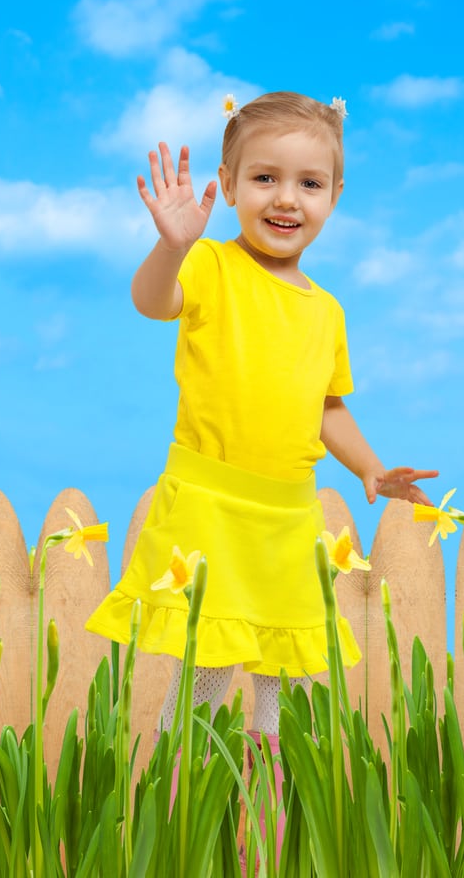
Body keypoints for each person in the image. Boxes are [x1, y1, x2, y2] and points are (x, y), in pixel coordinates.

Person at [86, 91, 437, 742]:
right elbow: (152, 302)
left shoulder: (326, 311)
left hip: (288, 519)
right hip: (211, 509)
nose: (286, 198)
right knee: (204, 675)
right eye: (264, 178)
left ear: (334, 194)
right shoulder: (211, 264)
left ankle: (269, 833)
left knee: (281, 692)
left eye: (309, 183)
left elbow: (326, 406)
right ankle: (181, 823)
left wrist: (371, 468)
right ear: (228, 184)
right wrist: (172, 246)